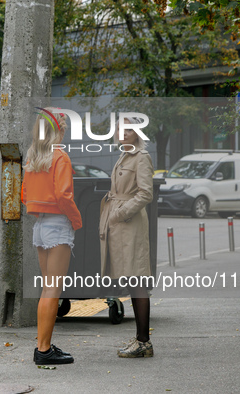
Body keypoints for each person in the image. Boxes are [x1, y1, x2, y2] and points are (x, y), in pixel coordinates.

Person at [21, 108, 82, 365]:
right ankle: (44, 350)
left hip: (40, 225)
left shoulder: (34, 157)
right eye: (64, 127)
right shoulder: (61, 158)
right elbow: (64, 196)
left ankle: (42, 346)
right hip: (58, 225)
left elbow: (24, 195)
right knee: (52, 290)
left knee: (47, 288)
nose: (66, 131)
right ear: (57, 130)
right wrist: (76, 220)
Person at [99, 118, 154, 358]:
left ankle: (144, 342)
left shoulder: (141, 157)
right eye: (120, 129)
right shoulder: (124, 155)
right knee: (132, 281)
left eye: (129, 129)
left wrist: (120, 212)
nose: (123, 133)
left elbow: (146, 193)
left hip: (129, 224)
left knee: (137, 280)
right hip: (120, 224)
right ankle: (141, 340)